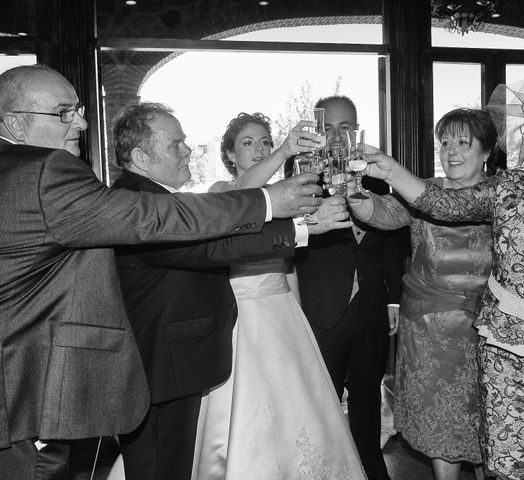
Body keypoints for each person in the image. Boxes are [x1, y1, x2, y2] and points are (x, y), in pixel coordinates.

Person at [0, 65, 323, 480]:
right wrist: (270, 204)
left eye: (79, 109)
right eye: (64, 112)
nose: (81, 122)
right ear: (15, 122)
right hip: (28, 380)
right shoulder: (44, 171)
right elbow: (154, 219)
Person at [350, 54, 524, 480]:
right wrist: (388, 168)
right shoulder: (508, 189)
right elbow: (439, 203)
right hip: (506, 359)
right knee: (509, 465)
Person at [107, 104, 350, 480]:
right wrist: (303, 230)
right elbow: (212, 245)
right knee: (161, 465)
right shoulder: (140, 203)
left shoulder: (155, 196)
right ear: (140, 157)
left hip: (186, 357)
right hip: (162, 365)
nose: (189, 150)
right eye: (177, 144)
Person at [190, 112, 365, 480]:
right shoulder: (219, 192)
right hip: (243, 322)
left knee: (300, 411)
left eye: (265, 143)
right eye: (248, 144)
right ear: (230, 155)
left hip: (283, 313)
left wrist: (300, 319)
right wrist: (284, 150)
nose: (259, 149)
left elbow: (288, 267)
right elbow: (244, 196)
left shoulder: (286, 200)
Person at [355, 108, 501, 480]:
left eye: (463, 143)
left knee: (491, 426)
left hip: (489, 335)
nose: (451, 151)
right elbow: (383, 214)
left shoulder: (504, 197)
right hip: (429, 335)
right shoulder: (425, 190)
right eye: (445, 142)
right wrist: (352, 193)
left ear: (486, 152)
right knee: (441, 428)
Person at [292, 96, 407, 480]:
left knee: (367, 400)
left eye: (346, 126)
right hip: (322, 305)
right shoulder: (301, 177)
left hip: (372, 307)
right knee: (321, 402)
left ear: (356, 130)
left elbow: (393, 242)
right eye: (329, 127)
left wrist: (393, 299)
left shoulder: (376, 176)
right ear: (318, 132)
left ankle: (372, 471)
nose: (338, 135)